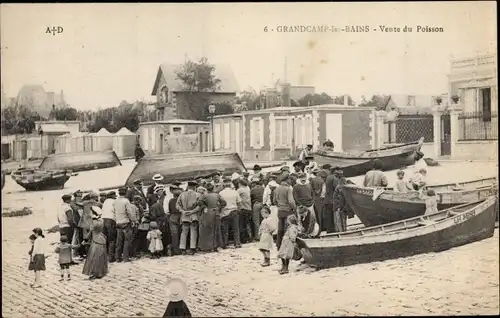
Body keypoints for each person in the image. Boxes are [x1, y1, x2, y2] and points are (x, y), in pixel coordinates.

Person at [197, 183, 226, 252]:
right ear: (213, 188)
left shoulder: (204, 195)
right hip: (216, 212)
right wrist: (219, 208)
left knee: (207, 230)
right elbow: (224, 203)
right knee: (216, 229)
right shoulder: (217, 195)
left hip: (208, 213)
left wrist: (204, 207)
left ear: (206, 189)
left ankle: (208, 247)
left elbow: (199, 202)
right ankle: (215, 246)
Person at [82, 206, 108, 280]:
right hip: (100, 238)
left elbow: (91, 231)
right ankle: (100, 273)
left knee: (95, 257)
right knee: (99, 256)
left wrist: (85, 240)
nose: (90, 213)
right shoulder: (100, 220)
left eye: (91, 212)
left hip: (97, 240)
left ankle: (96, 273)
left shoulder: (96, 221)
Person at [176, 181, 201, 255]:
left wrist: (182, 211)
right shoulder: (197, 194)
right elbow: (199, 206)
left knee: (184, 232)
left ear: (188, 186)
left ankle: (182, 249)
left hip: (184, 215)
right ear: (194, 187)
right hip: (193, 215)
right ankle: (192, 248)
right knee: (193, 231)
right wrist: (193, 211)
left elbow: (177, 205)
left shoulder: (182, 194)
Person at [114, 187, 137, 263]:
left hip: (118, 222)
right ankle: (125, 258)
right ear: (126, 193)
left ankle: (117, 257)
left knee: (119, 241)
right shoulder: (126, 201)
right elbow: (130, 212)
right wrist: (133, 220)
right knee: (127, 241)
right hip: (125, 223)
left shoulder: (115, 201)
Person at [274, 175, 296, 250]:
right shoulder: (288, 189)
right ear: (286, 180)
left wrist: (279, 206)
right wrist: (294, 208)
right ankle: (286, 245)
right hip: (288, 211)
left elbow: (274, 201)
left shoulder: (277, 189)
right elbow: (291, 201)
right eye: (289, 179)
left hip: (280, 211)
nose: (290, 181)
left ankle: (278, 245)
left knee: (280, 229)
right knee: (288, 229)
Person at [219, 177, 242, 249]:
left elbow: (220, 204)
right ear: (230, 184)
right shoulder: (235, 192)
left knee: (225, 230)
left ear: (224, 184)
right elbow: (239, 203)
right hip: (234, 211)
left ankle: (225, 243)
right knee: (236, 229)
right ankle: (237, 243)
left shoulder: (221, 193)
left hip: (224, 212)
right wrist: (238, 211)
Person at [101, 191, 117, 262]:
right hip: (110, 220)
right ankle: (111, 257)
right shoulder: (114, 202)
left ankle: (104, 256)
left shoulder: (105, 202)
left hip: (103, 219)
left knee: (105, 238)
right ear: (112, 196)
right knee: (112, 239)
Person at [167, 185, 183, 255]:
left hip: (173, 217)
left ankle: (175, 250)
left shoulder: (171, 200)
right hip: (181, 216)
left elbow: (170, 210)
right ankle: (182, 248)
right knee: (181, 233)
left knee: (174, 235)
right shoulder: (181, 201)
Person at [324, 167, 340, 233]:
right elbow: (337, 189)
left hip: (327, 199)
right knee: (334, 216)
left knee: (329, 216)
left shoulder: (328, 177)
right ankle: (334, 230)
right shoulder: (334, 178)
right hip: (332, 200)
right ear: (335, 171)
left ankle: (329, 230)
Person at [237, 178, 253, 243]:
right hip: (249, 208)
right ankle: (250, 237)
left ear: (240, 183)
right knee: (247, 224)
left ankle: (243, 239)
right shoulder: (248, 188)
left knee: (242, 225)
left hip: (243, 208)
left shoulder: (240, 190)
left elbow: (235, 194)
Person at [309, 167, 325, 233]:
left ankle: (319, 228)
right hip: (321, 198)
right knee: (322, 213)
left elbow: (311, 190)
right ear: (318, 173)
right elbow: (323, 191)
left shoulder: (312, 180)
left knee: (317, 214)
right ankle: (323, 227)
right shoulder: (322, 180)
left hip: (315, 199)